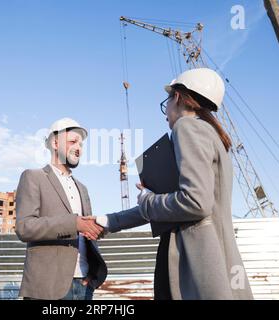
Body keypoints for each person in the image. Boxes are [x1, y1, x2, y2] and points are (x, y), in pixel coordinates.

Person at [96, 68, 254, 300]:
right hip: (216, 261)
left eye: (166, 102)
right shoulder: (212, 135)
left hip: (196, 261)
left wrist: (148, 199)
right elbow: (172, 206)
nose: (165, 114)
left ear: (177, 97)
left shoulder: (187, 127)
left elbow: (195, 203)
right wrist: (110, 221)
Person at [15, 117, 107, 300]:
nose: (79, 148)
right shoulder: (33, 177)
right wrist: (74, 223)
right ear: (55, 143)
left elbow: (84, 231)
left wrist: (94, 231)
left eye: (81, 144)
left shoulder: (82, 188)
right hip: (48, 287)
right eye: (73, 141)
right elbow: (24, 227)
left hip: (84, 284)